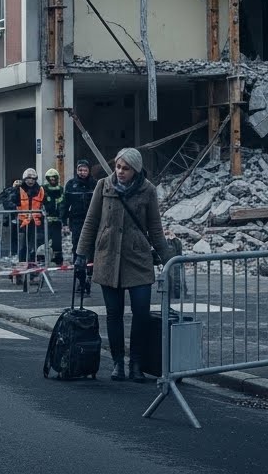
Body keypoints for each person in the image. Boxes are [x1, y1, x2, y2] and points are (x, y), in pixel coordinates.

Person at [73, 148, 172, 382]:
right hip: (108, 258)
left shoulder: (148, 190)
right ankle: (118, 362)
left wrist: (169, 260)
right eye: (118, 167)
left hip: (137, 259)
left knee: (141, 314)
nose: (120, 172)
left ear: (135, 170)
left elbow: (155, 229)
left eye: (125, 168)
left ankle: (136, 362)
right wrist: (80, 253)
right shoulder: (103, 186)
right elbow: (91, 220)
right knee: (114, 314)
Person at [63, 160, 96, 295]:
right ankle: (80, 280)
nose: (82, 172)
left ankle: (90, 275)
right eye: (80, 170)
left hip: (93, 221)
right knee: (78, 250)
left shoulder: (95, 184)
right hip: (77, 221)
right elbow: (65, 204)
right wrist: (64, 221)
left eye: (85, 170)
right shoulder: (71, 184)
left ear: (89, 171)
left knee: (92, 250)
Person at [42, 168, 66, 265]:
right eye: (50, 179)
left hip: (57, 220)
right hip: (45, 220)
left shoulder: (60, 189)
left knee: (57, 240)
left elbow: (62, 203)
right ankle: (42, 258)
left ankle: (58, 258)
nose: (52, 180)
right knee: (43, 240)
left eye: (54, 179)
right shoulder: (43, 189)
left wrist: (63, 218)